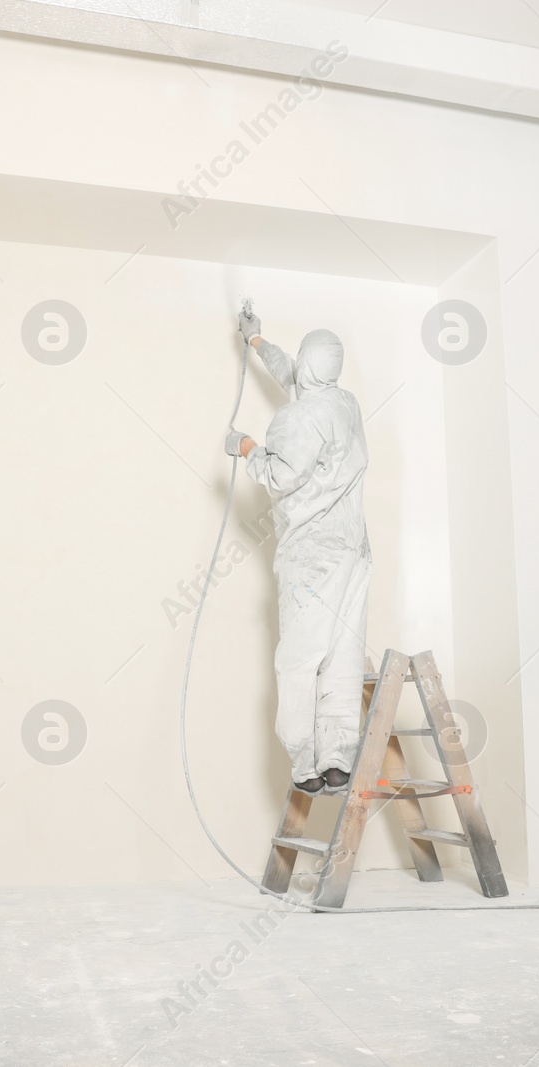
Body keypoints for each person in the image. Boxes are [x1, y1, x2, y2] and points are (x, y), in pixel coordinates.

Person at [225, 307, 371, 796]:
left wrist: (245, 447)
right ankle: (336, 759)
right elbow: (299, 375)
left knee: (300, 659)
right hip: (355, 553)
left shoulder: (297, 417)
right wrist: (256, 341)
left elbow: (279, 476)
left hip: (314, 555)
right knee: (342, 656)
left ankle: (304, 763)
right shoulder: (344, 404)